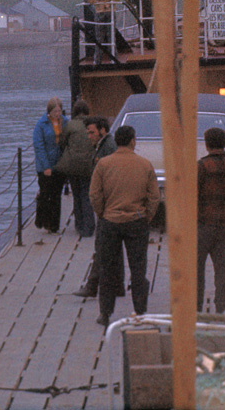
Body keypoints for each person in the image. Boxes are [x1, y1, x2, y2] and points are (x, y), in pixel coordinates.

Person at [89, 124, 159, 325]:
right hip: (136, 221)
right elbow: (154, 197)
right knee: (138, 270)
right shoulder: (145, 165)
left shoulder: (103, 164)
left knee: (107, 269)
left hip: (110, 221)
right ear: (132, 141)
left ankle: (105, 313)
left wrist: (103, 213)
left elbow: (94, 194)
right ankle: (140, 311)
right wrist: (147, 217)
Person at [195, 126, 225, 313]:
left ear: (206, 144)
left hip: (203, 225)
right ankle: (221, 307)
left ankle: (196, 307)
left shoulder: (200, 167)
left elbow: (193, 197)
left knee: (197, 269)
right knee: (222, 267)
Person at [73, 117, 120, 298]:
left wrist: (100, 208)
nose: (89, 136)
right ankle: (117, 285)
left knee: (102, 247)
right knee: (112, 248)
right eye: (87, 133)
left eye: (91, 132)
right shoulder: (104, 146)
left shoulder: (107, 148)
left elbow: (106, 178)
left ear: (102, 130)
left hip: (108, 207)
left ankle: (92, 285)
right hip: (111, 206)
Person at [55, 100, 98, 238]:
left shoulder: (70, 124)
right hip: (88, 165)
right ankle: (89, 226)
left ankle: (79, 225)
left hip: (72, 165)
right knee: (86, 194)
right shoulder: (93, 125)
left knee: (77, 194)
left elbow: (62, 143)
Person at [32, 97, 66, 234]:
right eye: (54, 111)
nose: (57, 113)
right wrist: (46, 166)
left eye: (59, 111)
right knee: (46, 194)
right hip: (45, 165)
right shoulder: (41, 125)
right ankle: (43, 221)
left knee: (57, 194)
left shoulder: (65, 122)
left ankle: (54, 225)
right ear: (49, 111)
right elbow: (38, 146)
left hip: (59, 163)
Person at [83, 0, 125, 65]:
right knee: (111, 35)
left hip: (99, 11)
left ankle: (97, 60)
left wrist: (94, 1)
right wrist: (112, 1)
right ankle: (113, 58)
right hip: (110, 10)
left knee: (99, 36)